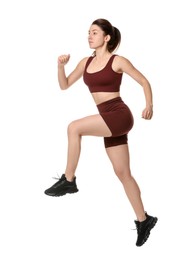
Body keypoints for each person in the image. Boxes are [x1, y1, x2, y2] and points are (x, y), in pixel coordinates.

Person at [44, 18, 157, 246]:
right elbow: (64, 85)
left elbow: (144, 81)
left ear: (106, 38)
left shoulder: (118, 61)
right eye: (88, 32)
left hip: (118, 114)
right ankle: (144, 219)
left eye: (94, 32)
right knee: (123, 173)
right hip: (108, 119)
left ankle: (68, 180)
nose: (89, 36)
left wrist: (149, 105)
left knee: (74, 127)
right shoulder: (86, 62)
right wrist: (60, 66)